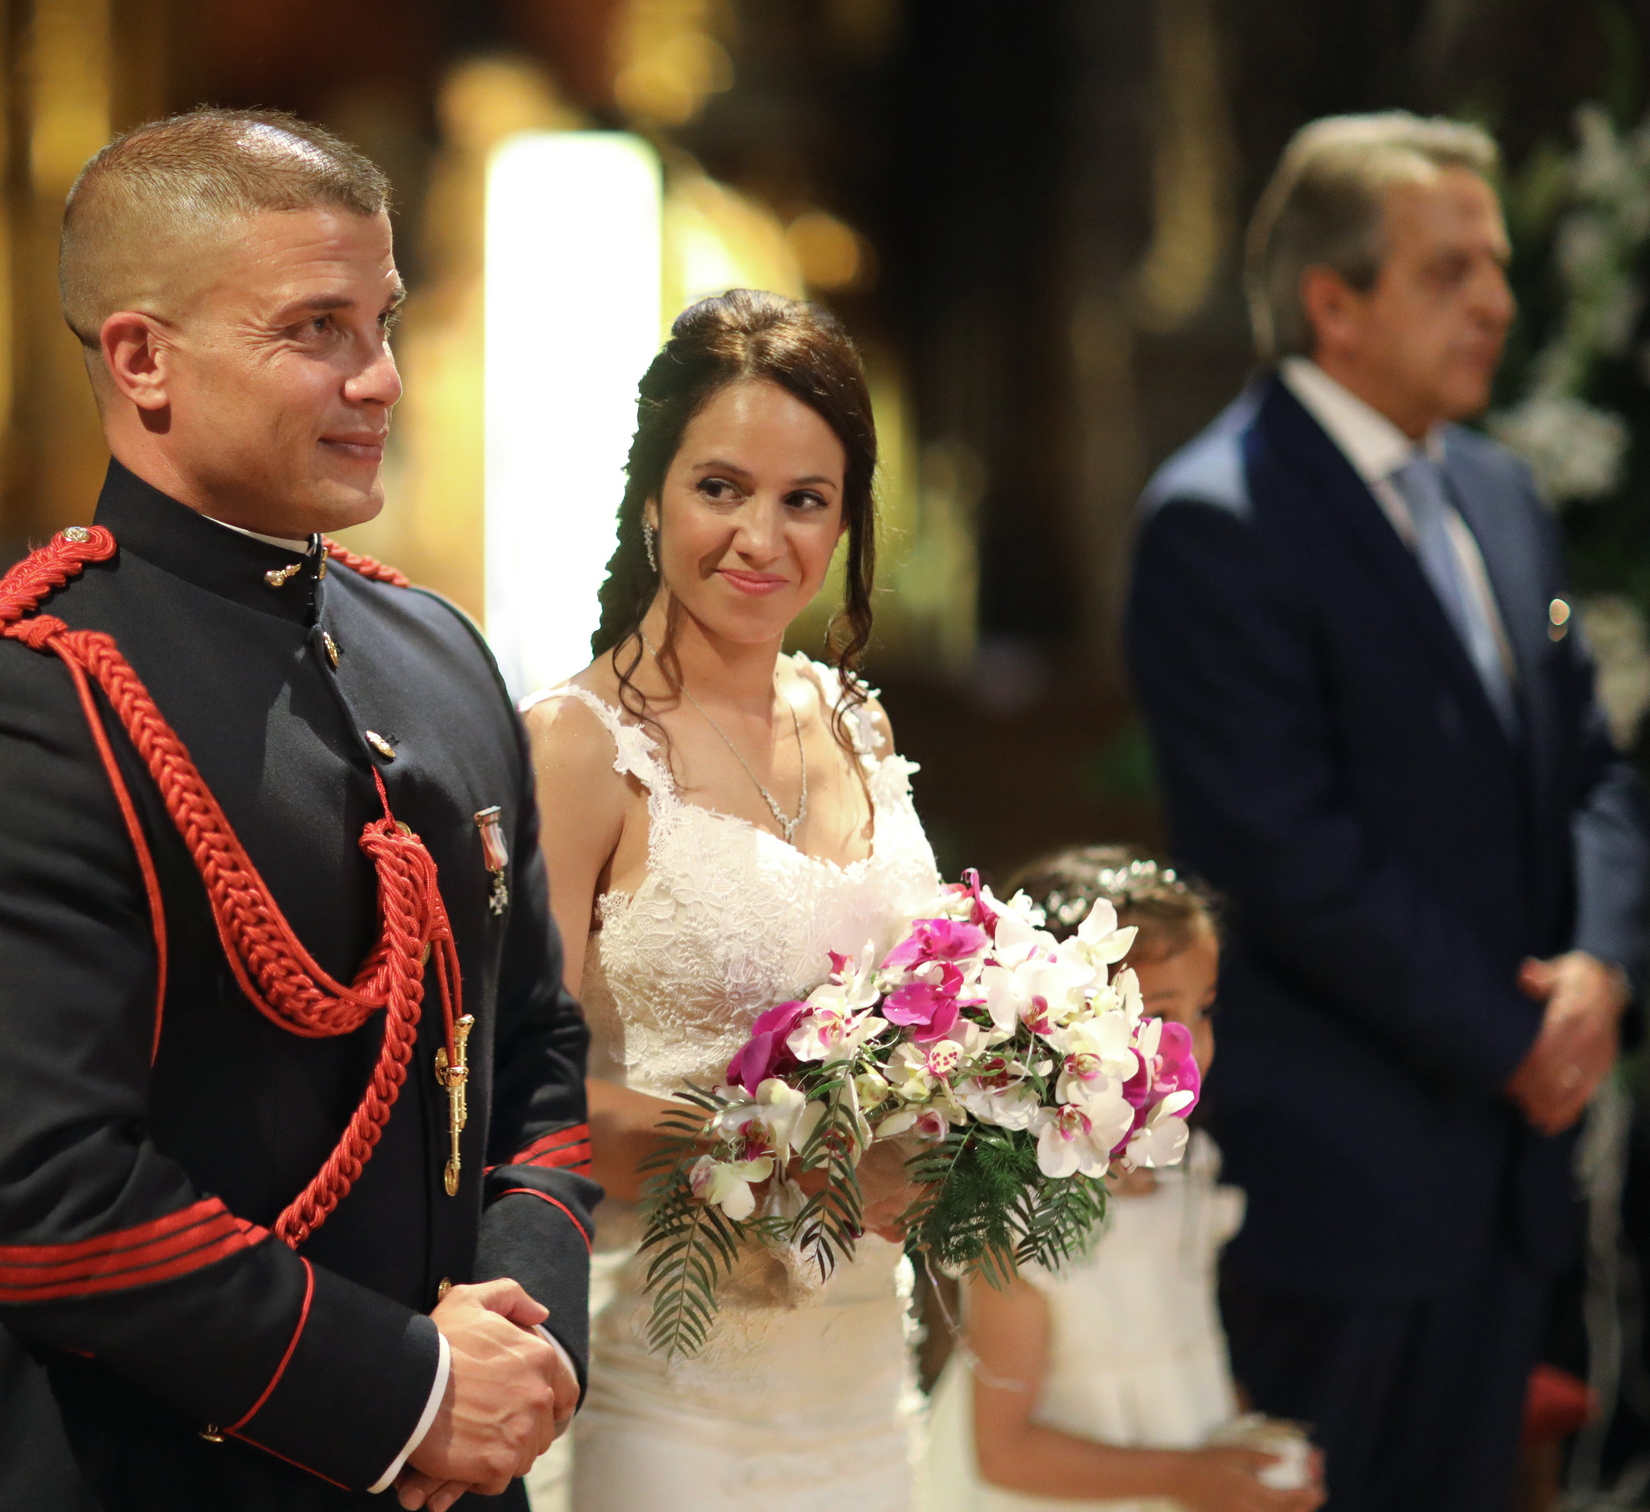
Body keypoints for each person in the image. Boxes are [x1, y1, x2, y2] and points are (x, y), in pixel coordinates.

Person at [0, 108, 599, 1511]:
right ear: (143, 358)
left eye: (382, 319)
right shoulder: (20, 702)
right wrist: (406, 1390)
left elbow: (534, 1042)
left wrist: (520, 1339)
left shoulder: (435, 651)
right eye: (316, 329)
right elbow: (42, 1201)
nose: (380, 378)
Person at [1124, 112, 1650, 1511]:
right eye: (1452, 268)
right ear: (1334, 302)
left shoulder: (1499, 491)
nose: (1500, 300)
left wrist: (1602, 967)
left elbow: (1595, 767)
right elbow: (1286, 851)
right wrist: (1515, 1034)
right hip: (1341, 1186)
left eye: (1498, 263)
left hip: (1504, 1181)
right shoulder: (1220, 517)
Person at [523, 289, 941, 1512]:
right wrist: (787, 1155)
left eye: (804, 501)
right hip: (672, 1377)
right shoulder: (576, 746)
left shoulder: (855, 720)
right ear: (652, 495)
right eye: (721, 488)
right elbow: (521, 1097)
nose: (761, 537)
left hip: (865, 1371)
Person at [917, 848, 1320, 1512]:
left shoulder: (1191, 1165)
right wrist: (1184, 1477)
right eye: (1162, 1010)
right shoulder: (1019, 1210)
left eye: (1207, 1008)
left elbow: (1181, 1351)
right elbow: (1004, 1451)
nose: (1195, 1043)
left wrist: (1250, 1455)